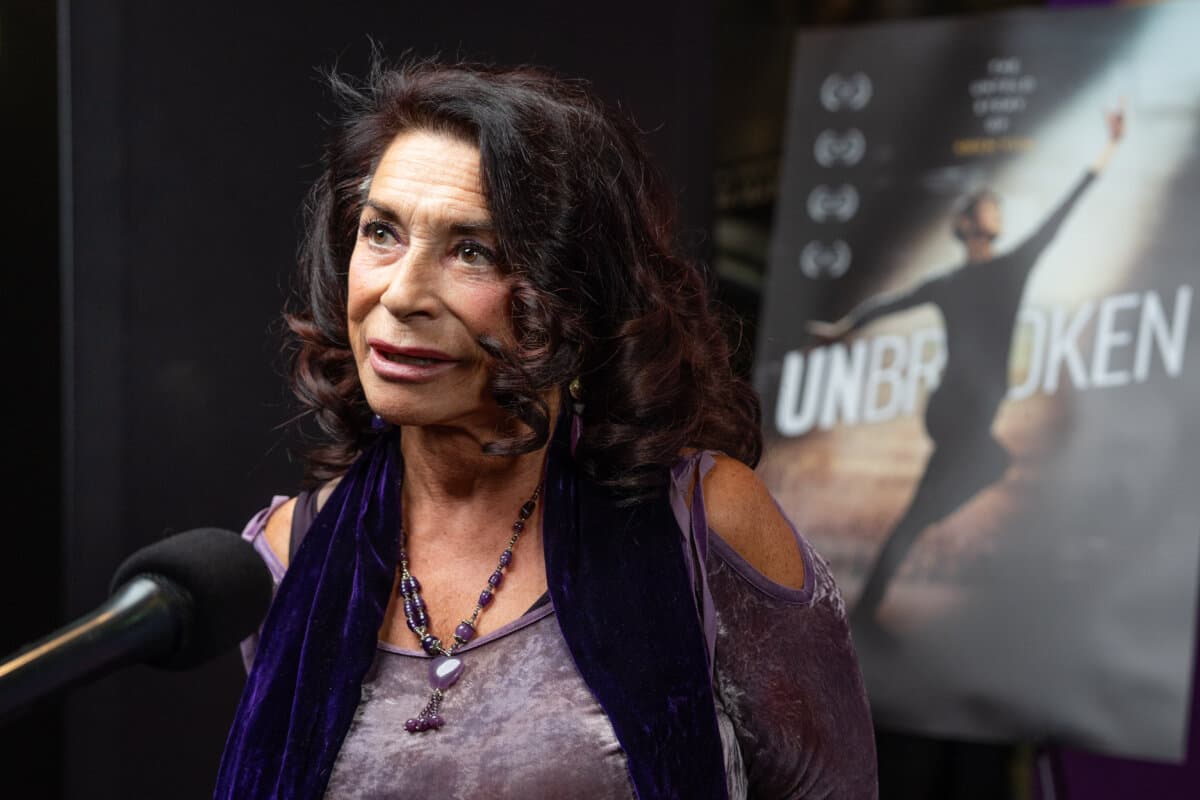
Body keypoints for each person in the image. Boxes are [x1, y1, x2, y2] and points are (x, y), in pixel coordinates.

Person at [213, 60, 876, 799]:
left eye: (474, 250)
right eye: (382, 233)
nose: (401, 293)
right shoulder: (283, 555)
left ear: (573, 292)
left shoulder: (701, 518)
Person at [808, 105, 1125, 626]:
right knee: (988, 464)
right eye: (987, 206)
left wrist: (1108, 148)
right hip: (955, 409)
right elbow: (893, 303)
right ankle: (906, 545)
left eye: (997, 207)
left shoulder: (1012, 267)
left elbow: (1062, 213)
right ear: (966, 224)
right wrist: (843, 329)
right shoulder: (950, 283)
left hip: (968, 415)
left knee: (964, 482)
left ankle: (868, 604)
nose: (996, 211)